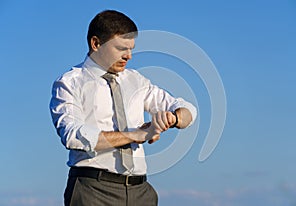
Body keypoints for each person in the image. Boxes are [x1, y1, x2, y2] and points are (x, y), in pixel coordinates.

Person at [49, 10, 197, 206]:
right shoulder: (69, 83)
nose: (129, 56)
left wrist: (173, 119)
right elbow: (73, 135)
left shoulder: (136, 80)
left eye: (131, 49)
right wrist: (134, 135)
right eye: (121, 48)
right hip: (93, 191)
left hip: (141, 192)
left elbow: (187, 110)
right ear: (96, 44)